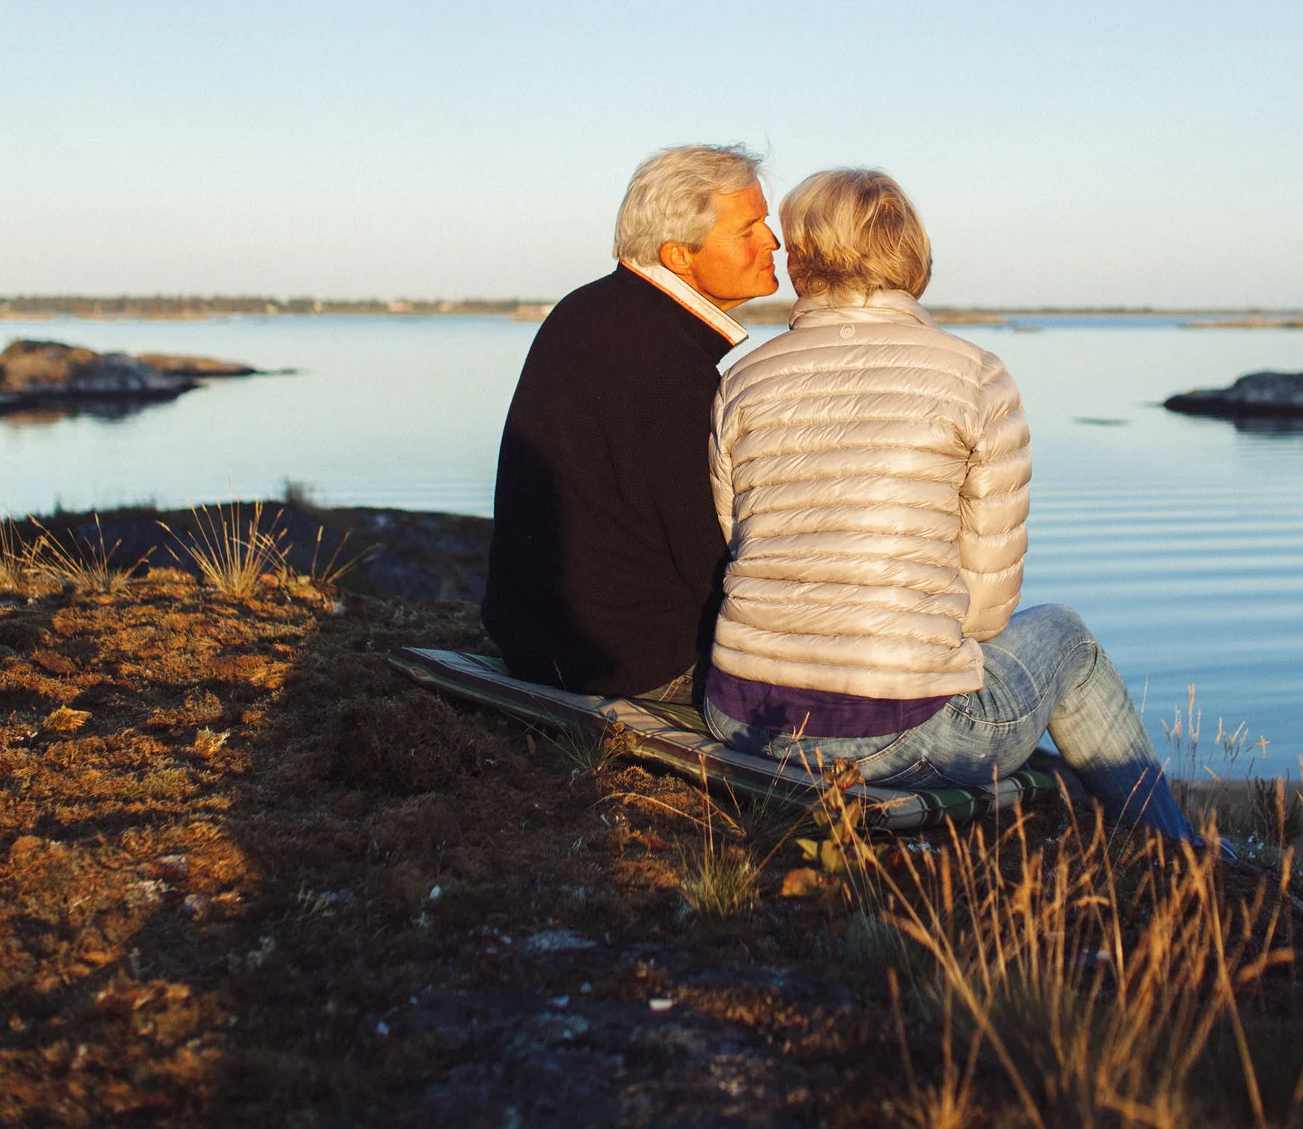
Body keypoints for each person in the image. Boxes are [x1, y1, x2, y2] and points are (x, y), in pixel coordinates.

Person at [702, 169, 1196, 840]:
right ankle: (1185, 853)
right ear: (910, 253)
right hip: (900, 736)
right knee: (1069, 639)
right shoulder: (974, 375)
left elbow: (741, 536)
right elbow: (988, 610)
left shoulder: (742, 380)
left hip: (739, 715)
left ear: (801, 262)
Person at [480, 144, 780, 701]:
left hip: (537, 643)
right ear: (678, 256)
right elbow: (706, 556)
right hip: (634, 661)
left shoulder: (591, 310)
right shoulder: (664, 363)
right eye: (749, 228)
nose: (773, 242)